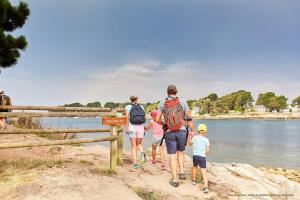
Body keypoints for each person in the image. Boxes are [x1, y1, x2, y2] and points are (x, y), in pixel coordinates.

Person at [156, 85, 195, 187]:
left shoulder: (162, 103)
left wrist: (164, 124)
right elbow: (188, 117)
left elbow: (157, 119)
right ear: (176, 92)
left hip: (169, 132)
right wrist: (192, 129)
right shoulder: (183, 102)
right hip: (182, 130)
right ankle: (181, 172)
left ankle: (175, 179)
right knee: (181, 152)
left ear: (167, 92)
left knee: (172, 155)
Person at [125, 94, 146, 169]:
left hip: (132, 128)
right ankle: (142, 153)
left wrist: (126, 128)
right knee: (139, 144)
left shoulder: (127, 107)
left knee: (133, 146)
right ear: (137, 99)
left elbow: (127, 118)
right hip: (141, 127)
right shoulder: (142, 107)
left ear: (130, 99)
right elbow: (144, 117)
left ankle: (135, 163)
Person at [188, 124, 210, 193]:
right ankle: (206, 187)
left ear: (198, 130)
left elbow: (190, 144)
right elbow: (207, 150)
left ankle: (194, 180)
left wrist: (189, 136)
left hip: (195, 156)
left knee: (194, 167)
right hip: (202, 157)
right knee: (204, 171)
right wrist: (205, 154)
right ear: (205, 131)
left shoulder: (194, 137)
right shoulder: (206, 140)